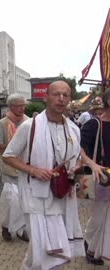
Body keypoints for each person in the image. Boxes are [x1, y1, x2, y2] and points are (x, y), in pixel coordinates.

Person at [2, 81, 88, 269]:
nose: (61, 99)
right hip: (36, 200)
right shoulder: (29, 127)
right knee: (42, 254)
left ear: (69, 99)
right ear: (45, 97)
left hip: (63, 198)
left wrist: (76, 170)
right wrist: (33, 170)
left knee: (56, 252)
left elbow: (76, 159)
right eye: (56, 94)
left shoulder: (73, 129)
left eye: (65, 95)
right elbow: (8, 156)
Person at [80, 90, 110, 265]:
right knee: (99, 216)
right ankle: (90, 246)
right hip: (102, 177)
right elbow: (80, 149)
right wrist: (92, 164)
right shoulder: (94, 124)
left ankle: (98, 249)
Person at [0, 94, 29, 242]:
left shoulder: (29, 122)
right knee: (11, 201)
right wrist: (15, 147)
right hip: (9, 168)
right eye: (18, 105)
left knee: (24, 201)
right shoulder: (2, 123)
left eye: (23, 105)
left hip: (25, 168)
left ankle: (22, 230)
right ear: (10, 107)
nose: (22, 108)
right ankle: (6, 227)